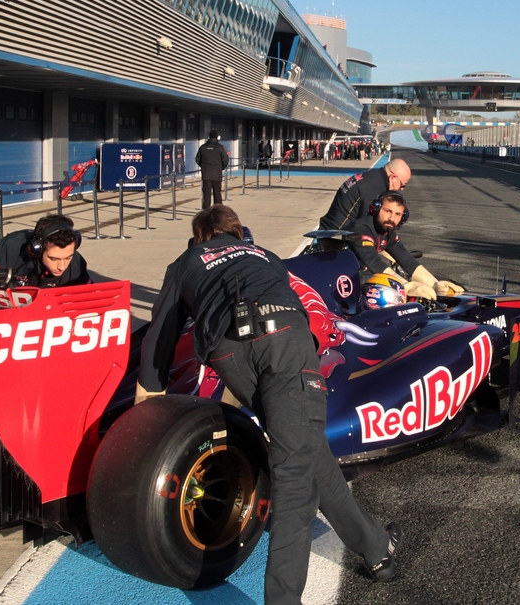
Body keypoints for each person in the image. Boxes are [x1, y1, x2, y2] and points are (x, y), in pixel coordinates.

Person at [136, 205, 400, 603]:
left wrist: (146, 406)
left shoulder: (185, 261)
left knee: (310, 452)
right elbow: (308, 303)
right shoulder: (263, 255)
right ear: (237, 232)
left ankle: (377, 550)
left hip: (227, 352)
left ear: (201, 238)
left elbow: (160, 334)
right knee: (294, 477)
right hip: (283, 338)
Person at [342, 190, 463, 301]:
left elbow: (408, 261)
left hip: (364, 279)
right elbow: (375, 263)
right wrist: (406, 286)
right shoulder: (361, 229)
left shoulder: (388, 233)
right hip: (345, 283)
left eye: (397, 214)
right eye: (388, 211)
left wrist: (435, 284)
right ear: (376, 209)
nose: (391, 218)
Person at [0, 214, 89, 288]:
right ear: (36, 249)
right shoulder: (11, 248)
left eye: (68, 257)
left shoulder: (77, 265)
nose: (62, 266)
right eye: (54, 259)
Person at [317, 158, 411, 232]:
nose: (402, 188)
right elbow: (367, 225)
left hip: (329, 227)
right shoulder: (375, 188)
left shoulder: (372, 176)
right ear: (393, 177)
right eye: (402, 184)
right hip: (334, 236)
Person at [195, 129, 228, 209]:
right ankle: (218, 211)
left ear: (209, 137)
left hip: (206, 175)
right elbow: (225, 160)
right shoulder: (220, 147)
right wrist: (221, 168)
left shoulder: (203, 147)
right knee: (217, 194)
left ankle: (205, 212)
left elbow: (197, 159)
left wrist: (204, 167)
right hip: (217, 175)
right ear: (217, 137)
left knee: (206, 195)